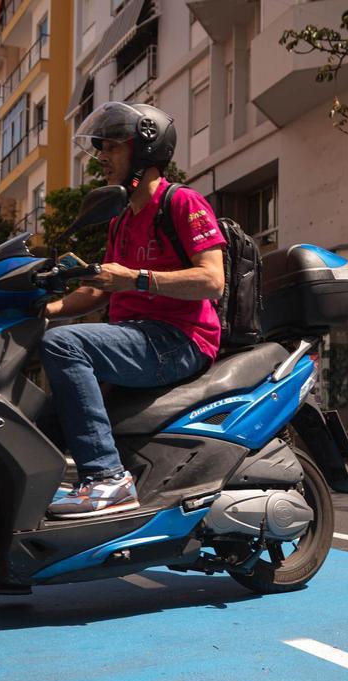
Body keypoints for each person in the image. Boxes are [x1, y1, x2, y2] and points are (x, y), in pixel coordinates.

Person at [41, 102, 226, 518]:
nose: (101, 157)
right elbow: (98, 291)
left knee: (65, 346)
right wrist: (44, 310)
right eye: (100, 148)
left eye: (112, 147)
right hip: (135, 337)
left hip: (179, 338)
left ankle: (108, 478)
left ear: (144, 153)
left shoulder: (182, 202)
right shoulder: (120, 220)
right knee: (43, 413)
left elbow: (213, 280)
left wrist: (136, 278)